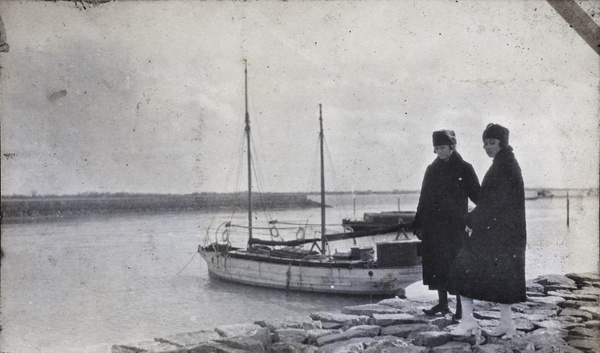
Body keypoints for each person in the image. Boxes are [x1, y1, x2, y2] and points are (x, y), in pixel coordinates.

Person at [447, 123, 527, 339]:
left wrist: (470, 219)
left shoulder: (504, 166)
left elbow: (493, 202)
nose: (487, 147)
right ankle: (506, 324)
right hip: (505, 233)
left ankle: (468, 321)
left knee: (462, 268)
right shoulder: (505, 163)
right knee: (504, 278)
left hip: (498, 233)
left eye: (491, 142)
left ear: (503, 143)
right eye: (485, 143)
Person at [412, 130, 480, 320]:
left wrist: (472, 219)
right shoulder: (431, 169)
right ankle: (443, 304)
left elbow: (478, 197)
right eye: (436, 148)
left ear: (452, 146)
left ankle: (460, 308)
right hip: (433, 227)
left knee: (455, 266)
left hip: (455, 228)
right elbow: (423, 198)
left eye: (442, 147)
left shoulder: (465, 168)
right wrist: (418, 223)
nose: (438, 152)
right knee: (436, 265)